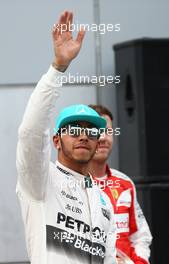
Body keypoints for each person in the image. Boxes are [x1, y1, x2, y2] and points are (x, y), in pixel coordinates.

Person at [16, 11, 117, 264]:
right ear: (57, 141)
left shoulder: (104, 200)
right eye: (73, 129)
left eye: (91, 130)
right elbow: (30, 132)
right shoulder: (39, 180)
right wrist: (58, 68)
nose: (83, 135)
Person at [88, 104, 152, 264]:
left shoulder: (125, 183)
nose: (102, 137)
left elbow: (140, 236)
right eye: (95, 131)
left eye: (108, 131)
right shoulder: (71, 184)